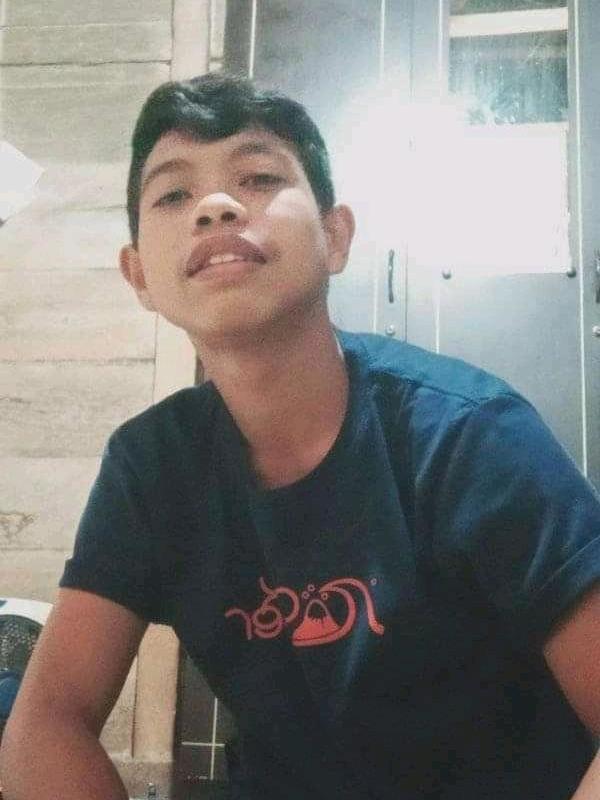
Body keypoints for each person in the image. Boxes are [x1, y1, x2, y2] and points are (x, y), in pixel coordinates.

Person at [1, 73, 599, 800]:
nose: (215, 206)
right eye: (174, 195)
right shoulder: (151, 466)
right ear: (139, 276)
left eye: (258, 177)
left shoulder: (469, 434)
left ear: (335, 236)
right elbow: (48, 721)